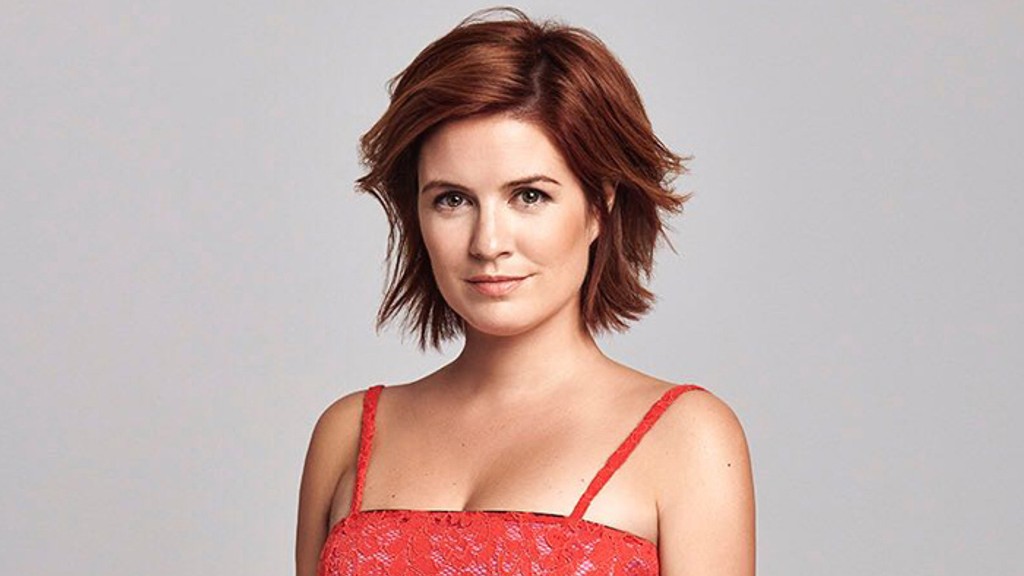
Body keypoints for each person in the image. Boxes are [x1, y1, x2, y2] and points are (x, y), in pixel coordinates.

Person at [296, 8, 754, 576]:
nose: (488, 242)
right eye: (452, 199)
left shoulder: (686, 437)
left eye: (529, 196)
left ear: (599, 206)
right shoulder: (347, 434)